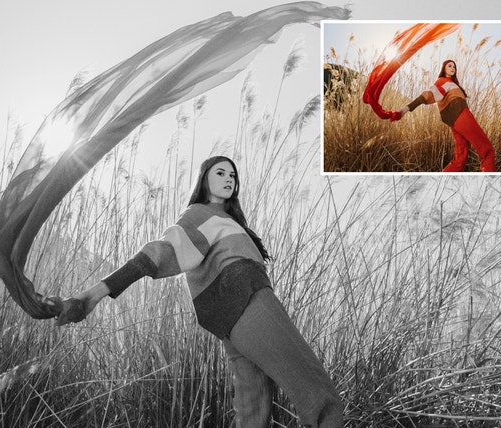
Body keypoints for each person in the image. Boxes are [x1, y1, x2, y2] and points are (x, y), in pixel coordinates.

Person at [55, 156, 343, 427]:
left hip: (231, 326)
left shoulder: (230, 223)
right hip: (249, 304)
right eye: (220, 172)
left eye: (233, 175)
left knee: (252, 417)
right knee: (321, 398)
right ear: (204, 179)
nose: (229, 178)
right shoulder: (199, 214)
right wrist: (92, 294)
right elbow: (160, 251)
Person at [396, 59, 497, 172]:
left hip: (455, 121)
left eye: (454, 66)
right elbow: (428, 95)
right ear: (444, 68)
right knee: (487, 150)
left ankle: (442, 181)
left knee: (460, 159)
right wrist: (406, 108)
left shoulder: (452, 84)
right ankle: (491, 181)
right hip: (461, 115)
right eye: (449, 66)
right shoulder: (442, 81)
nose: (453, 68)